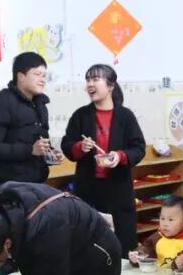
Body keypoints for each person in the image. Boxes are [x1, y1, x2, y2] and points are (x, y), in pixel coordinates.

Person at [62, 64, 146, 255]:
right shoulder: (80, 115)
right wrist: (80, 147)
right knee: (90, 242)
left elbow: (138, 148)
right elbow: (67, 146)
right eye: (88, 80)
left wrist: (120, 156)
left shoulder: (125, 116)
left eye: (95, 79)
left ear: (110, 86)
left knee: (123, 244)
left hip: (118, 188)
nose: (90, 84)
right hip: (88, 189)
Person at [0, 52, 58, 185]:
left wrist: (50, 154)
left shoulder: (40, 104)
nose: (42, 80)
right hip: (11, 184)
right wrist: (30, 150)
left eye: (44, 75)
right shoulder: (0, 102)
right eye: (37, 74)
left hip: (38, 180)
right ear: (21, 77)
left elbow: (39, 142)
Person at [131, 195, 183, 267]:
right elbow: (146, 249)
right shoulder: (157, 236)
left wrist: (182, 263)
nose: (165, 224)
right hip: (158, 273)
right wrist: (138, 255)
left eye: (170, 220)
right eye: (162, 218)